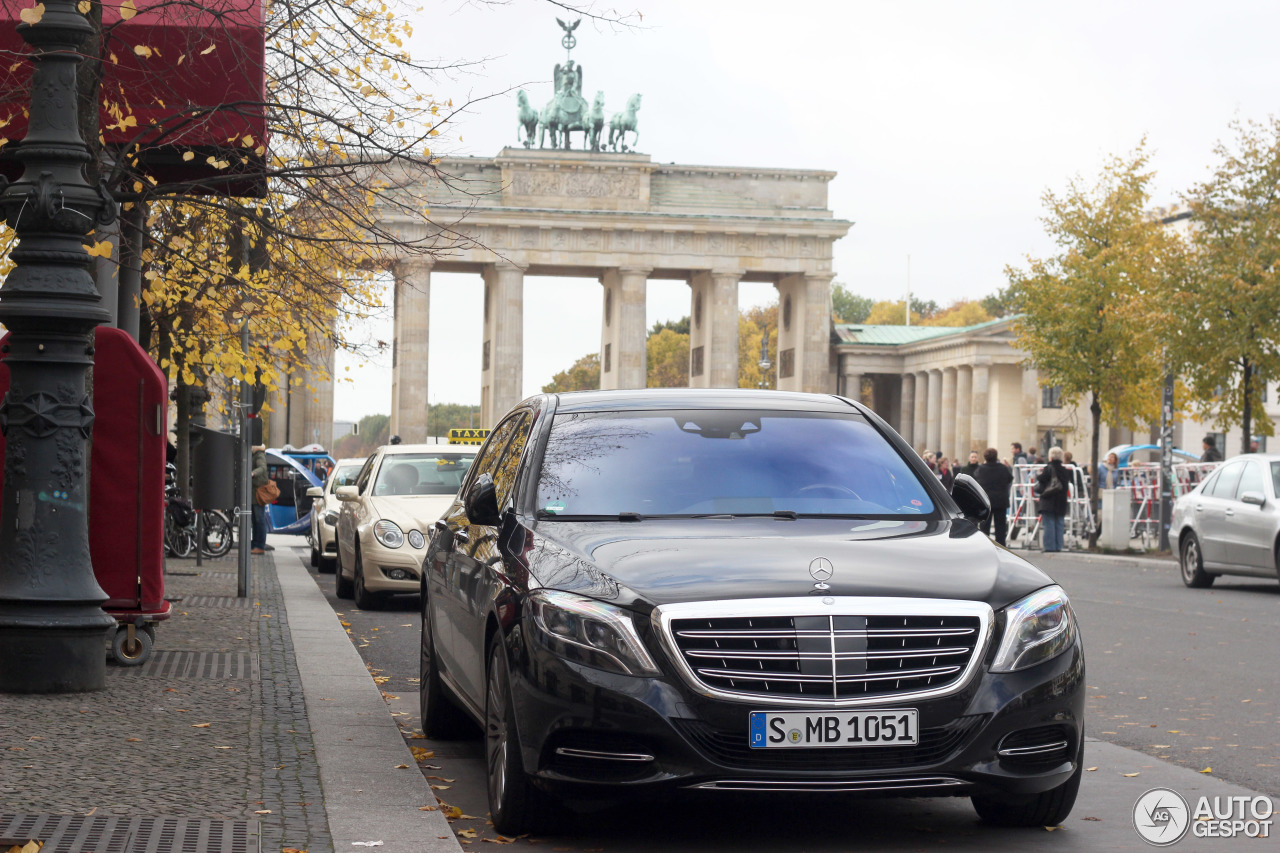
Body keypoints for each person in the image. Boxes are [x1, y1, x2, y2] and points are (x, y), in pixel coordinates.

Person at [974, 447, 1013, 546]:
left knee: (985, 526)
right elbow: (1009, 479)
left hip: (986, 501)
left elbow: (976, 478)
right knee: (1000, 526)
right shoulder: (1003, 468)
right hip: (1000, 500)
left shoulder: (981, 469)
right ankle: (1001, 545)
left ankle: (985, 545)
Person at [1036, 446, 1070, 552]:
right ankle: (1058, 546)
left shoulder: (1048, 468)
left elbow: (1041, 480)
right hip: (1061, 501)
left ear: (1050, 456)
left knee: (1049, 523)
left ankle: (1050, 546)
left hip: (1048, 500)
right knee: (1059, 524)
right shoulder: (1065, 470)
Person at [251, 445, 270, 555]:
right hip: (254, 494)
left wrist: (253, 473)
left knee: (259, 520)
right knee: (255, 521)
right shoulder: (255, 455)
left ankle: (259, 546)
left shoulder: (259, 455)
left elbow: (262, 468)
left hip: (258, 494)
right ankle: (255, 545)